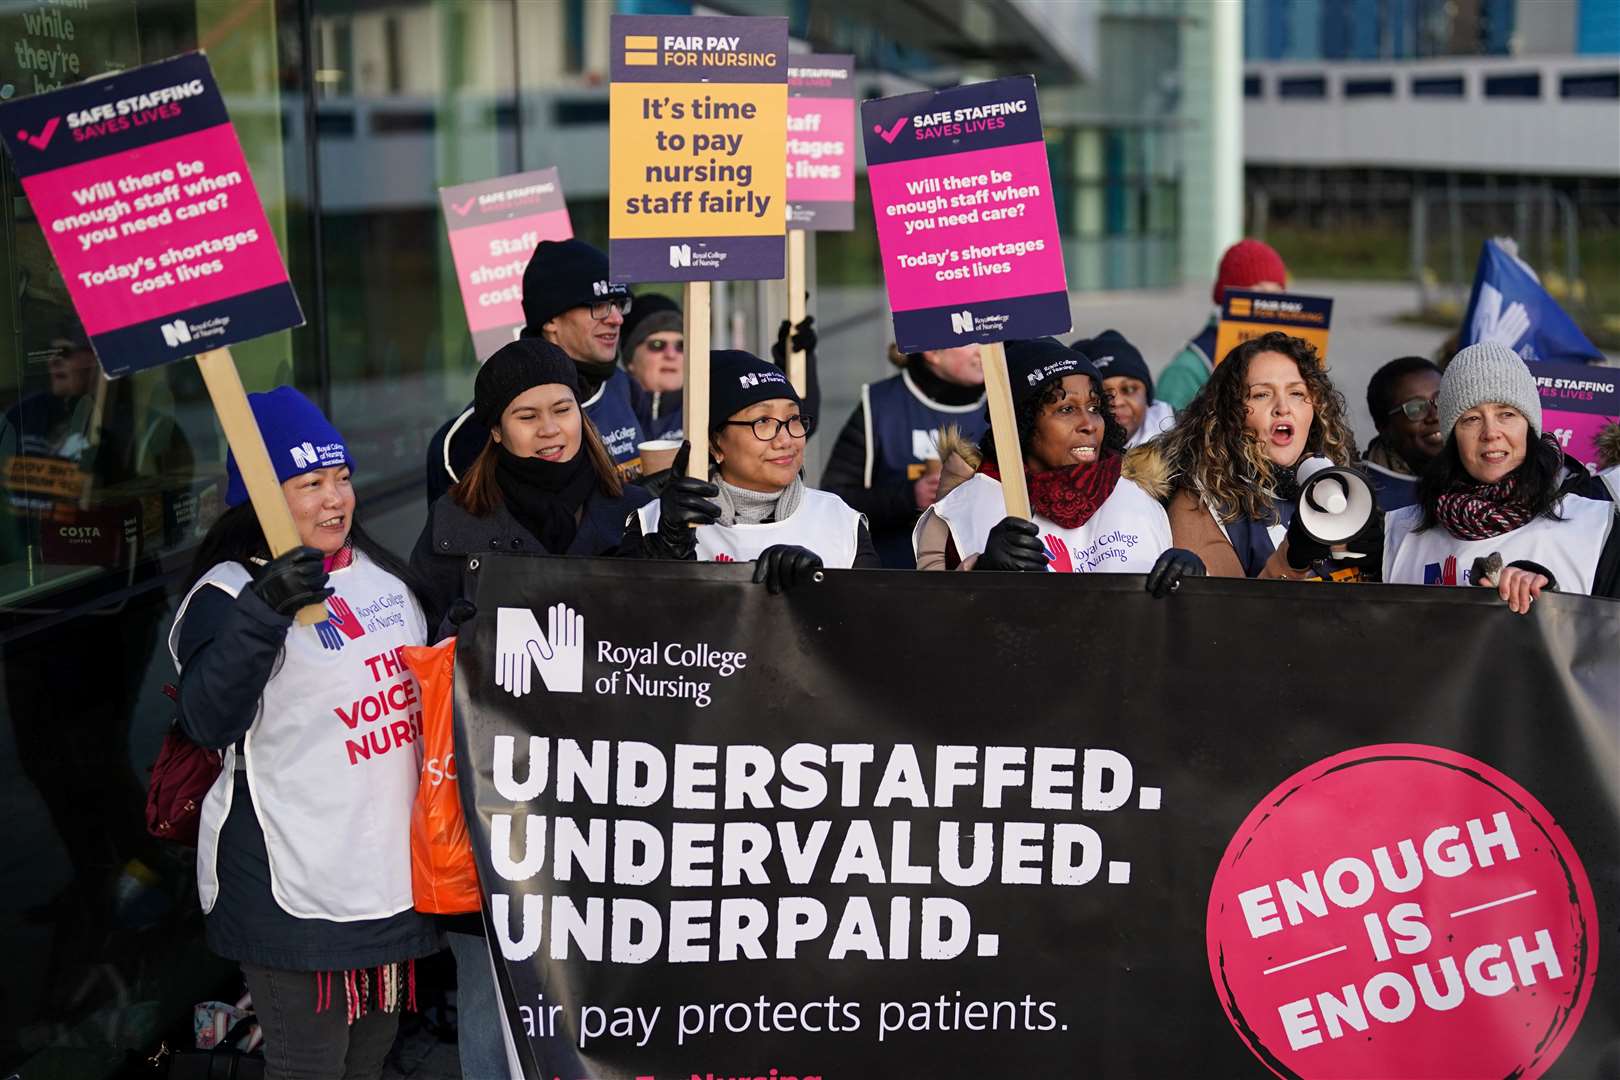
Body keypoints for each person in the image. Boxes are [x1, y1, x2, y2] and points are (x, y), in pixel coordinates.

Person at [167, 387, 437, 1080]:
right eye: (308, 483)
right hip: (290, 883)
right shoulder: (225, 594)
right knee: (309, 1065)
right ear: (256, 495)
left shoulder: (380, 574)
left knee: (370, 1059)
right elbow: (207, 719)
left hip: (386, 877)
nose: (335, 498)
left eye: (341, 478)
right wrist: (268, 608)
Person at [913, 338, 1197, 593]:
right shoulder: (958, 509)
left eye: (1095, 407)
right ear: (1021, 423)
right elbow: (930, 623)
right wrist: (980, 571)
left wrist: (1193, 577)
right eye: (1066, 409)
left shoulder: (1144, 493)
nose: (1089, 424)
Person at [411, 338, 651, 635]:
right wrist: (453, 635)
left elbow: (676, 632)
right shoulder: (453, 519)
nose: (549, 429)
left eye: (562, 410)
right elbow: (422, 637)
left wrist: (675, 550)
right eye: (527, 416)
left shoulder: (638, 512)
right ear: (497, 430)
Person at [1383, 342, 1620, 609]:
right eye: (1471, 419)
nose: (1490, 432)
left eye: (1506, 414)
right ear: (1452, 437)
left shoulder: (1598, 527)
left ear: (1530, 428)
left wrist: (1549, 599)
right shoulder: (1399, 530)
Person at [622, 350, 878, 588]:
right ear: (714, 443)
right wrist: (667, 550)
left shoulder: (839, 521)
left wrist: (819, 589)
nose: (785, 440)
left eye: (793, 419)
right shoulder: (657, 521)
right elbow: (622, 620)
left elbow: (873, 622)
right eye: (763, 421)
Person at [425, 239, 639, 504]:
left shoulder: (623, 386)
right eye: (598, 305)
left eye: (619, 303)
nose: (616, 318)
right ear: (550, 319)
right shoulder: (470, 435)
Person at [1150, 331, 1362, 580]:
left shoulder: (1344, 484)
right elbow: (1231, 611)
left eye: (1296, 393)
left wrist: (1379, 560)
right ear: (1231, 413)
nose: (1283, 408)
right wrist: (1291, 560)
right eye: (1262, 394)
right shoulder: (1201, 501)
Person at [820, 343, 987, 568]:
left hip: (983, 580)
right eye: (970, 341)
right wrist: (909, 497)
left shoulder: (1006, 402)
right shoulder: (880, 404)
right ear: (932, 352)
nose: (983, 349)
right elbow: (834, 502)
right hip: (894, 580)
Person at [1158, 239, 1289, 410]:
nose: (1271, 307)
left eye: (1279, 297)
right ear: (1228, 300)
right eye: (1260, 295)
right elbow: (1162, 433)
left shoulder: (1284, 358)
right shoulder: (1187, 369)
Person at [1362, 356, 1443, 511]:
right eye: (1415, 408)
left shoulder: (1487, 477)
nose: (1436, 415)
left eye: (1443, 399)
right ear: (1383, 426)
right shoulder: (1361, 496)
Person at [1076, 329, 1175, 449]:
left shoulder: (1179, 443)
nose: (1117, 402)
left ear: (1147, 397)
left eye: (1129, 389)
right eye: (1103, 393)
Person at [620, 292, 686, 439]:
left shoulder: (709, 410)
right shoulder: (609, 411)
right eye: (657, 345)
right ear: (630, 360)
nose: (671, 354)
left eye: (681, 345)